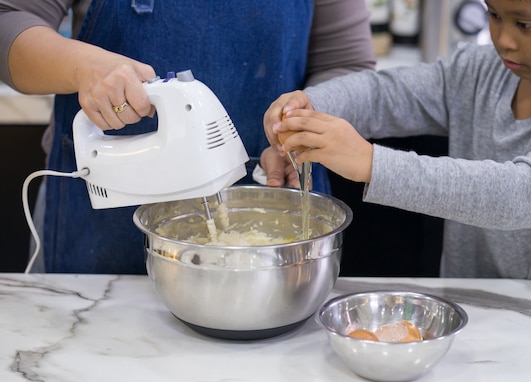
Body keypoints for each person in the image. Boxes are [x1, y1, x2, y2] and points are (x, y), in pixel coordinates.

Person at [0, 0, 376, 274]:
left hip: (271, 207)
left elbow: (346, 66)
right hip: (100, 222)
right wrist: (85, 69)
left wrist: (297, 131)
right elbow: (8, 22)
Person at [265, 0, 531, 279]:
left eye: (525, 24)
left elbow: (527, 194)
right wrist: (309, 108)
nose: (504, 39)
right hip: (475, 310)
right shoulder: (479, 71)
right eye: (494, 15)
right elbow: (385, 95)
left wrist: (370, 163)